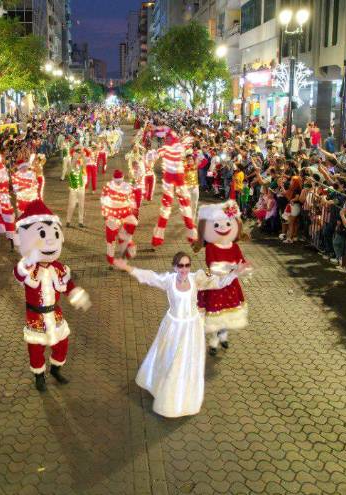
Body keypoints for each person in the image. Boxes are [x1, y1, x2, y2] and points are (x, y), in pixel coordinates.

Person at [112, 252, 247, 418]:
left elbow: (218, 283)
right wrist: (127, 267)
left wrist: (235, 273)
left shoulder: (196, 278)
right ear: (174, 266)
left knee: (186, 362)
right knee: (171, 359)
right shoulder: (168, 280)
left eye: (187, 265)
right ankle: (165, 393)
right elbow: (149, 276)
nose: (184, 269)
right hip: (173, 327)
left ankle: (184, 397)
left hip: (191, 327)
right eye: (180, 265)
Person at [12, 200, 91, 391]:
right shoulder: (28, 266)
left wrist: (76, 295)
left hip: (54, 313)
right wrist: (28, 260)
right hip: (35, 315)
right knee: (36, 347)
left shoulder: (58, 267)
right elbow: (19, 274)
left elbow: (67, 284)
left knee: (61, 342)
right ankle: (39, 376)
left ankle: (56, 369)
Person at [193, 201, 251, 354]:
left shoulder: (235, 246)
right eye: (217, 225)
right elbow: (213, 266)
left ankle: (223, 337)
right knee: (214, 314)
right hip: (216, 284)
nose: (224, 228)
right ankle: (213, 342)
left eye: (227, 223)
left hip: (231, 285)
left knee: (226, 313)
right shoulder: (211, 247)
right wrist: (232, 267)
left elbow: (242, 262)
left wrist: (244, 268)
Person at [150, 130, 197, 247]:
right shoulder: (180, 147)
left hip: (169, 178)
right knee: (185, 204)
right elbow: (190, 140)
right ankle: (191, 234)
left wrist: (150, 159)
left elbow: (153, 156)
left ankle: (158, 237)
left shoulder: (165, 148)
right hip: (179, 178)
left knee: (166, 207)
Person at [100, 170, 138, 265]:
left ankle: (124, 256)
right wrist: (105, 214)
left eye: (119, 181)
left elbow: (133, 202)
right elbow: (103, 201)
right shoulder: (108, 187)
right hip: (112, 216)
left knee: (124, 237)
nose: (118, 183)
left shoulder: (128, 187)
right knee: (111, 239)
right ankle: (111, 258)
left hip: (124, 215)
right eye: (117, 181)